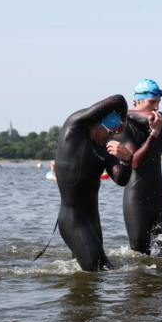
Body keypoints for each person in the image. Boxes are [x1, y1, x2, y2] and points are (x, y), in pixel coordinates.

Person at [54, 95, 132, 271]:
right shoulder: (75, 128)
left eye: (115, 133)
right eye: (110, 132)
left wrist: (127, 160)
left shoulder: (106, 148)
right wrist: (123, 120)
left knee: (92, 277)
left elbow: (121, 180)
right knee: (102, 269)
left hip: (92, 222)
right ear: (97, 124)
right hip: (73, 221)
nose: (112, 136)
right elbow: (119, 99)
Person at [112, 78, 162, 256]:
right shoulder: (123, 128)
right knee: (140, 257)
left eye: (158, 102)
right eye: (152, 102)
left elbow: (152, 116)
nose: (156, 107)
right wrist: (153, 135)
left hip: (159, 199)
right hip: (136, 200)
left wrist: (154, 129)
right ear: (137, 101)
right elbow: (135, 162)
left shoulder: (159, 120)